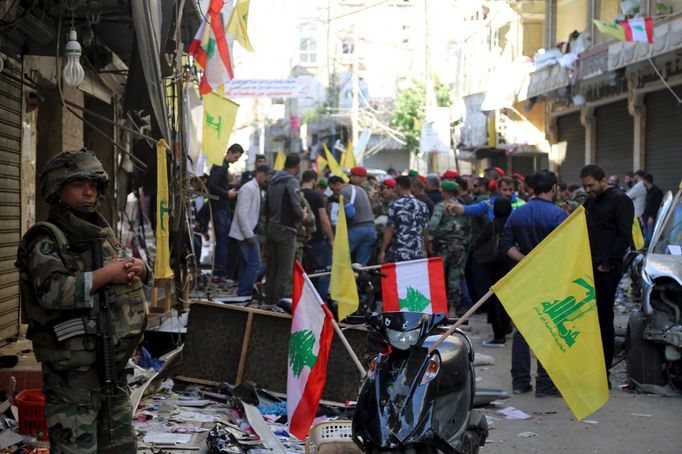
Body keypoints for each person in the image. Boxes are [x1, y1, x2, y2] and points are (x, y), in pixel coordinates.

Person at [16, 149, 148, 453]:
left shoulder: (99, 231)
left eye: (93, 184)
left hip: (111, 368)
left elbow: (120, 271)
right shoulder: (46, 238)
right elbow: (51, 292)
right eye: (78, 184)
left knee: (120, 447)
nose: (89, 191)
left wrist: (140, 269)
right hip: (71, 376)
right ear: (57, 188)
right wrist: (105, 275)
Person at [501, 171, 567, 397]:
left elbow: (507, 245)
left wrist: (526, 261)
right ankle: (546, 384)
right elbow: (565, 251)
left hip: (524, 276)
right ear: (553, 188)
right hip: (550, 277)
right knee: (549, 328)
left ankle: (520, 382)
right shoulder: (559, 215)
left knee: (522, 329)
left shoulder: (517, 213)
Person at [581, 164, 633, 377]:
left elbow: (624, 235)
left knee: (603, 319)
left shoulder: (620, 200)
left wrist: (608, 263)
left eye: (591, 185)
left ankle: (603, 370)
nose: (588, 190)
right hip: (588, 268)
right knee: (589, 318)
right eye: (585, 186)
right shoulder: (589, 202)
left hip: (606, 270)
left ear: (604, 181)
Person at [265, 153, 307, 305]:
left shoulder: (273, 181)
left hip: (272, 227)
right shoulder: (292, 181)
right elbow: (296, 208)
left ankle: (269, 302)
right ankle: (280, 305)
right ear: (297, 166)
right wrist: (304, 215)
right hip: (286, 230)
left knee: (273, 268)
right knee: (285, 271)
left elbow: (266, 207)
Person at [471, 198, 513, 348]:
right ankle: (508, 327)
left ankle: (499, 335)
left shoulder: (493, 225)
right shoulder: (513, 223)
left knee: (495, 301)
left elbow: (478, 243)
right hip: (512, 266)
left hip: (494, 268)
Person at [430, 180, 471, 315]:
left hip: (443, 246)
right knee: (455, 278)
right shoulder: (462, 207)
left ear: (446, 192)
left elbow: (433, 226)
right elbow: (469, 229)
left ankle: (439, 308)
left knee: (438, 278)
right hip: (459, 247)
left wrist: (431, 240)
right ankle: (453, 308)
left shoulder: (441, 206)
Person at [229, 165, 270, 297]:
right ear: (260, 173)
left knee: (248, 264)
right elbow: (241, 213)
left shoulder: (256, 188)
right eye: (266, 176)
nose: (267, 180)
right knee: (254, 264)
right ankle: (244, 293)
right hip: (246, 233)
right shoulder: (248, 188)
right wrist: (249, 235)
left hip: (249, 232)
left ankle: (243, 292)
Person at [207, 143, 243, 284]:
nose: (236, 160)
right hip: (220, 208)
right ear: (230, 152)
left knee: (222, 243)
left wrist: (230, 188)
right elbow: (212, 185)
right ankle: (219, 273)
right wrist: (226, 193)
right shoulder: (221, 165)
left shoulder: (223, 166)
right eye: (236, 156)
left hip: (221, 208)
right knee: (223, 243)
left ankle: (219, 272)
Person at [379, 176, 430, 263]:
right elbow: (426, 230)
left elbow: (389, 229)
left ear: (398, 187)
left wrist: (382, 251)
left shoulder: (395, 205)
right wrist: (425, 249)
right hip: (418, 251)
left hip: (400, 251)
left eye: (395, 187)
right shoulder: (422, 205)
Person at [328, 175, 377, 265]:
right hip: (371, 230)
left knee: (337, 259)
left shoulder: (343, 192)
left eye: (332, 189)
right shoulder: (360, 189)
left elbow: (350, 213)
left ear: (338, 184)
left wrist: (339, 214)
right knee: (360, 265)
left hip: (356, 230)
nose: (333, 192)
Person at [301, 170, 334, 298]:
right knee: (326, 269)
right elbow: (324, 220)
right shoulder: (317, 196)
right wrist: (331, 239)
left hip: (299, 240)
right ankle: (321, 300)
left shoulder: (295, 194)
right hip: (316, 240)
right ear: (314, 181)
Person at [643, 173, 664, 244]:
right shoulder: (647, 191)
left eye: (643, 180)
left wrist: (652, 217)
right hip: (645, 215)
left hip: (651, 217)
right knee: (646, 236)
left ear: (646, 181)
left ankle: (650, 252)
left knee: (650, 237)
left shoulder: (657, 191)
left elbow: (657, 206)